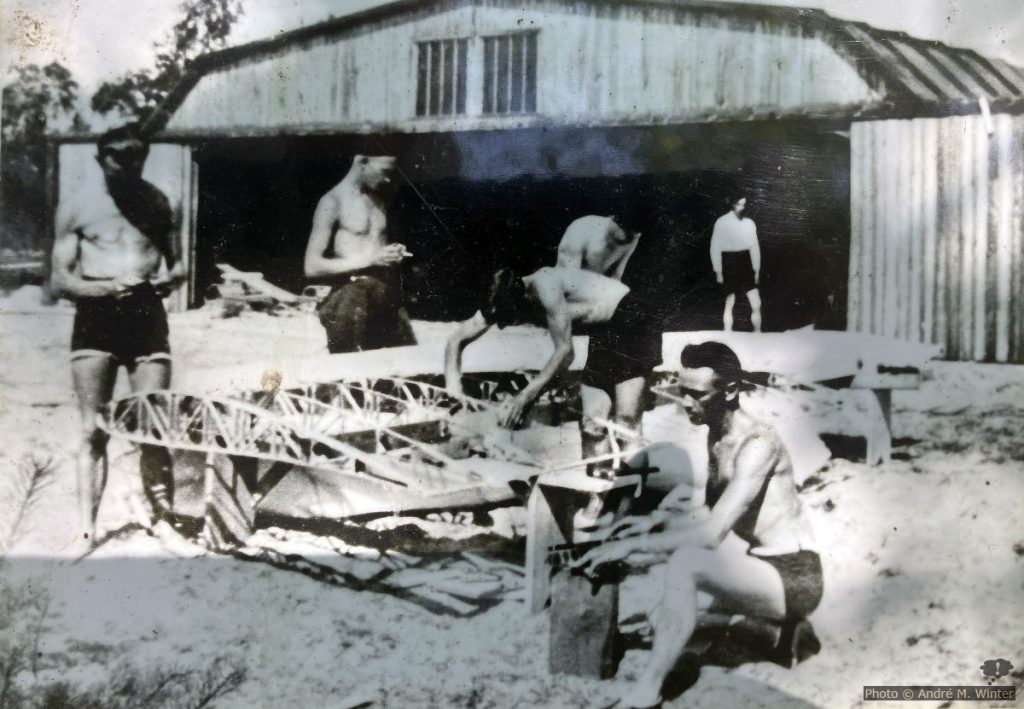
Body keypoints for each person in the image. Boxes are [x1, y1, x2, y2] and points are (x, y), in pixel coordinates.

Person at [576, 342, 822, 708]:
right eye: (682, 392)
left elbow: (709, 535)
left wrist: (632, 547)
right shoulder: (715, 432)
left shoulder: (758, 443)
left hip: (795, 576)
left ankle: (645, 693)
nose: (686, 403)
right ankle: (779, 633)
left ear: (732, 391)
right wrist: (645, 532)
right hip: (761, 563)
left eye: (697, 396)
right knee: (665, 617)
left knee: (686, 567)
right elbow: (708, 514)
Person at [51, 124, 185, 547]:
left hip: (146, 313)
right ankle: (85, 532)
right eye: (116, 155)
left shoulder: (161, 203)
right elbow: (61, 280)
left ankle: (163, 520)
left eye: (135, 155)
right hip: (97, 315)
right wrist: (104, 289)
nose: (126, 163)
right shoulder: (77, 208)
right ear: (99, 157)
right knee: (93, 429)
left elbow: (179, 266)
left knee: (155, 424)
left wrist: (163, 283)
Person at [444, 266, 664, 436]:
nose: (502, 326)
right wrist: (453, 387)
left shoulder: (545, 286)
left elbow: (566, 352)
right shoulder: (499, 299)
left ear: (522, 298)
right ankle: (600, 487)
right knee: (592, 423)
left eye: (508, 319)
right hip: (604, 330)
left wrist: (524, 398)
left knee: (625, 421)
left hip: (635, 317)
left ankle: (631, 489)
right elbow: (456, 340)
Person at [304, 154, 416, 353]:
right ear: (361, 162)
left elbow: (376, 253)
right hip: (349, 295)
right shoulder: (332, 201)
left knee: (406, 362)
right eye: (385, 172)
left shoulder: (377, 202)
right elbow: (312, 266)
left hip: (385, 293)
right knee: (350, 369)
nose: (388, 180)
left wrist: (391, 253)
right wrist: (370, 259)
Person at [710, 196, 762, 332]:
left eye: (745, 205)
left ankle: (758, 334)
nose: (742, 208)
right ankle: (727, 333)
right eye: (740, 204)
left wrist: (756, 269)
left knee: (756, 302)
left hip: (745, 261)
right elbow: (714, 247)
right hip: (729, 262)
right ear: (733, 204)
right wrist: (718, 271)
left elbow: (754, 247)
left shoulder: (749, 223)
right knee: (729, 301)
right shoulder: (722, 222)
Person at [556, 215, 639, 279]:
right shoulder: (581, 227)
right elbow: (569, 279)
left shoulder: (634, 236)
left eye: (635, 233)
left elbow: (617, 276)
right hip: (565, 284)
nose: (633, 236)